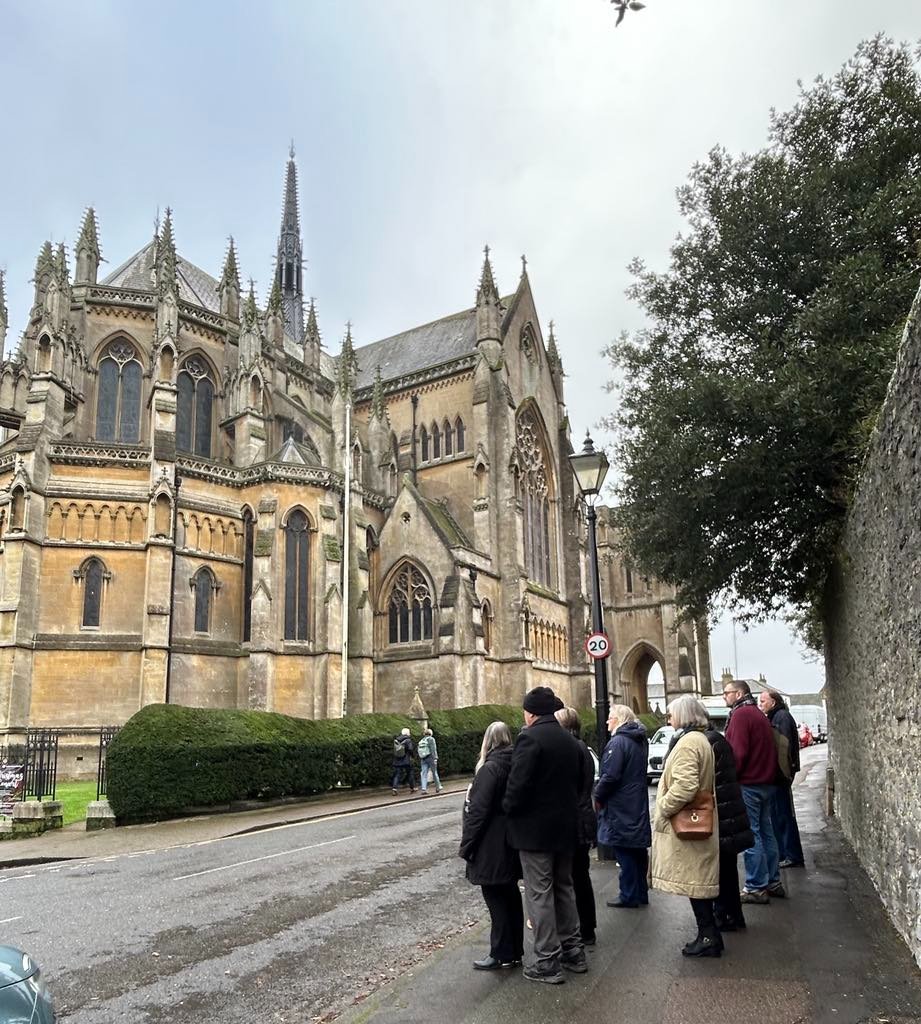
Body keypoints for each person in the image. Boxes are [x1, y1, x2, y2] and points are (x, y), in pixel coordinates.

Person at [503, 686, 589, 984]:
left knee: (539, 893)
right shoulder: (569, 740)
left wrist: (508, 807)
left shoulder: (529, 738)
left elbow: (518, 785)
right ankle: (573, 950)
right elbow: (579, 785)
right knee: (564, 888)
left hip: (535, 833)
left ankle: (547, 960)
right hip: (565, 829)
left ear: (530, 713)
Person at [651, 695, 722, 958]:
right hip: (699, 821)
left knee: (696, 882)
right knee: (698, 880)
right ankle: (710, 934)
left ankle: (707, 936)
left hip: (690, 824)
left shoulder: (688, 743)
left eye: (671, 714)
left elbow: (686, 786)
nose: (669, 719)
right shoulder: (700, 739)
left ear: (684, 715)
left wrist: (664, 807)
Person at [459, 721, 524, 970]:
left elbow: (478, 812)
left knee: (496, 898)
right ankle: (514, 950)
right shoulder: (515, 763)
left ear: (488, 741)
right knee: (510, 896)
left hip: (491, 843)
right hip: (510, 840)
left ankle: (499, 953)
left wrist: (467, 846)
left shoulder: (490, 768)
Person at [723, 680, 782, 903]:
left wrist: (730, 780)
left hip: (750, 784)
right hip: (767, 782)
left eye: (727, 693)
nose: (724, 697)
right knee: (767, 833)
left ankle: (756, 886)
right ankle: (773, 880)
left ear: (739, 693)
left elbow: (738, 754)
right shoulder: (757, 714)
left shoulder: (740, 715)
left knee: (752, 835)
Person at [593, 704, 651, 910]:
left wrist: (597, 795)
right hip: (636, 800)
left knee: (623, 849)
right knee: (637, 849)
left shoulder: (617, 743)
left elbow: (610, 775)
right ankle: (641, 891)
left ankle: (628, 894)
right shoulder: (639, 740)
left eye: (610, 718)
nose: (607, 721)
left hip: (620, 804)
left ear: (619, 719)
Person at [704, 720, 755, 932]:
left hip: (722, 816)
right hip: (729, 813)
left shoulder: (708, 743)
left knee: (722, 870)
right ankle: (733, 915)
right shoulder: (718, 740)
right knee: (728, 870)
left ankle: (724, 915)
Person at [554, 706, 598, 945]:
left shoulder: (573, 749)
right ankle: (586, 927)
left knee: (576, 877)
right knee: (580, 876)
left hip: (577, 819)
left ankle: (584, 929)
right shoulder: (581, 747)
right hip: (583, 816)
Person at [759, 688, 805, 868]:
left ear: (773, 702)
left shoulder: (781, 717)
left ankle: (792, 855)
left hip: (779, 776)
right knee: (778, 815)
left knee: (783, 815)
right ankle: (785, 853)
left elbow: (783, 748)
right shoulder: (776, 717)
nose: (760, 704)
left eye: (763, 701)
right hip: (778, 776)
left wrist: (782, 773)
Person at [417, 727, 444, 795]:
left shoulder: (422, 740)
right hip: (430, 757)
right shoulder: (431, 739)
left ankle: (424, 788)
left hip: (423, 758)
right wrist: (435, 758)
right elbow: (433, 749)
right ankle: (438, 787)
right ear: (431, 733)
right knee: (434, 772)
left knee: (423, 773)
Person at [390, 727, 415, 794]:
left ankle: (394, 789)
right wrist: (412, 756)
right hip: (406, 760)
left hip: (397, 759)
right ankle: (412, 788)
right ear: (407, 733)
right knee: (410, 773)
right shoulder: (408, 740)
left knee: (397, 774)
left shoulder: (396, 740)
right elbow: (410, 749)